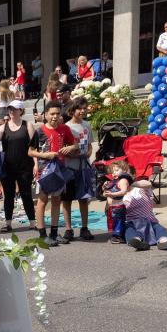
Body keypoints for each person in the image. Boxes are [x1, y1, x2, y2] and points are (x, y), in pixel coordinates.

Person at [29, 102, 77, 246]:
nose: (55, 116)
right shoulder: (40, 131)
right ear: (46, 115)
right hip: (45, 170)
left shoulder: (65, 129)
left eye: (57, 113)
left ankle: (54, 233)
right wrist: (46, 155)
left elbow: (74, 144)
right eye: (52, 114)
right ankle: (42, 234)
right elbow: (30, 151)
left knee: (57, 200)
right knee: (42, 201)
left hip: (60, 169)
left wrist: (71, 148)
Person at [0, 101, 36, 232]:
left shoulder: (27, 125)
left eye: (14, 109)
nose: (11, 111)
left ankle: (33, 223)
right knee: (9, 195)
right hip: (8, 167)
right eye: (10, 109)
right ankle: (8, 223)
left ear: (21, 110)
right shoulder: (3, 127)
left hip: (25, 166)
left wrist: (36, 165)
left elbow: (34, 146)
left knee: (26, 194)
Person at [60, 97, 95, 241]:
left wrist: (89, 152)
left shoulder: (87, 125)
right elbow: (63, 149)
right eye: (80, 108)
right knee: (67, 200)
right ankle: (68, 229)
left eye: (85, 108)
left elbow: (90, 145)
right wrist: (74, 151)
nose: (83, 111)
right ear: (72, 111)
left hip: (83, 167)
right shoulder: (66, 127)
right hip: (69, 167)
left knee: (83, 198)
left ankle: (84, 228)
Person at [123, 180, 167, 250]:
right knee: (130, 230)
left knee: (159, 229)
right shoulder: (121, 194)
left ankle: (164, 242)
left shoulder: (141, 189)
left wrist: (133, 184)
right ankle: (137, 241)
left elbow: (148, 184)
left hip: (149, 220)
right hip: (132, 221)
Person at [104, 160, 133, 244]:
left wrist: (112, 194)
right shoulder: (115, 181)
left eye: (116, 170)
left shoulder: (123, 180)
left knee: (119, 220)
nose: (114, 173)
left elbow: (123, 191)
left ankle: (118, 236)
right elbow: (105, 191)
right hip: (114, 206)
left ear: (124, 170)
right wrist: (105, 187)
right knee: (115, 220)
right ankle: (117, 235)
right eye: (113, 171)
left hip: (120, 205)